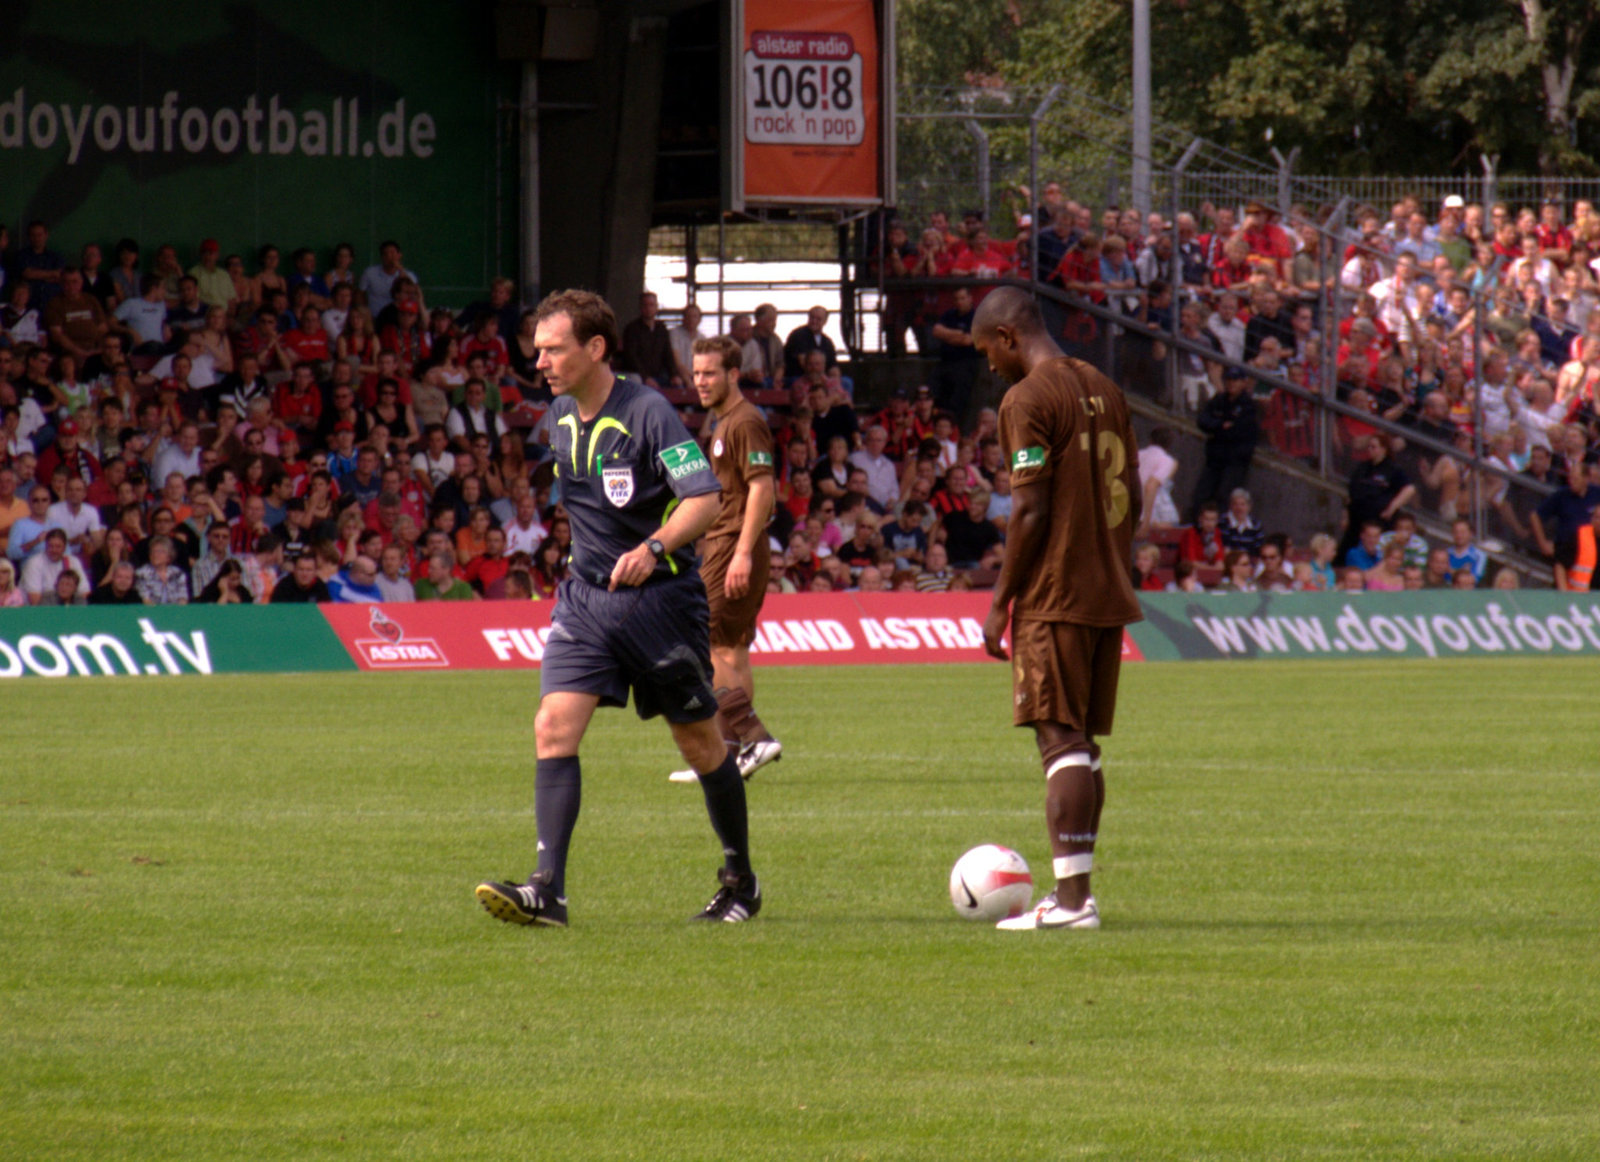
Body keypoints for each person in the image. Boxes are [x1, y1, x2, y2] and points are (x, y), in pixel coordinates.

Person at [474, 289, 762, 930]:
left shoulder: (650, 412)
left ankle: (740, 879)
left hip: (661, 604)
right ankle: (547, 890)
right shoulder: (558, 415)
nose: (540, 361)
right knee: (553, 726)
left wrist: (653, 546)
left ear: (595, 348)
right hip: (585, 602)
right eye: (538, 349)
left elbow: (706, 500)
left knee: (700, 746)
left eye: (553, 349)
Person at [972, 286, 1141, 932]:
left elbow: (1033, 507)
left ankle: (1073, 905)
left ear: (1010, 338)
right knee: (1083, 745)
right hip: (1106, 588)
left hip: (1056, 592)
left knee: (1058, 737)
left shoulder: (1028, 398)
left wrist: (999, 603)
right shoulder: (1106, 386)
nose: (990, 366)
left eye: (990, 351)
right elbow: (1135, 499)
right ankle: (1075, 894)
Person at [667, 336, 780, 785]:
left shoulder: (744, 421)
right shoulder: (725, 422)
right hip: (730, 545)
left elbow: (762, 487)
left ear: (734, 374)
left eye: (710, 373)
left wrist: (743, 554)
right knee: (731, 650)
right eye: (696, 374)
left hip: (732, 545)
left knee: (701, 649)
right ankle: (729, 755)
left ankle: (753, 736)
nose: (701, 381)